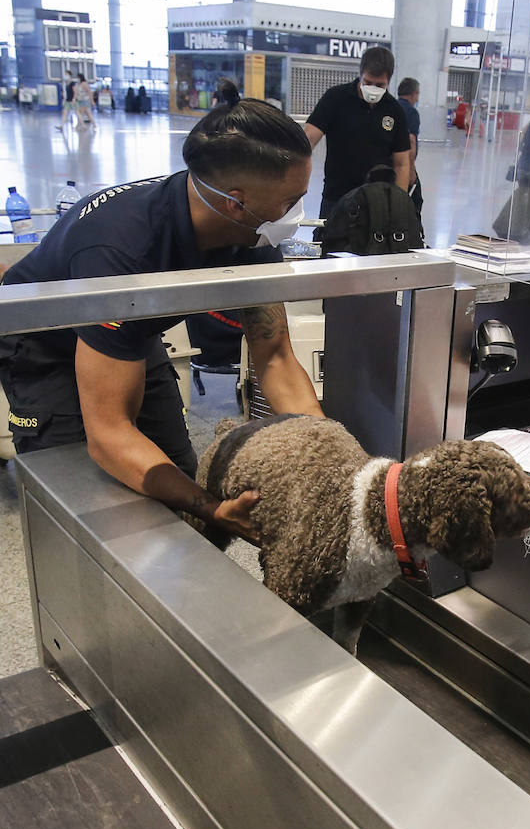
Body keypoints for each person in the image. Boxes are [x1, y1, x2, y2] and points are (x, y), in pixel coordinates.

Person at [0, 100, 323, 541]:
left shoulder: (254, 233)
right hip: (45, 348)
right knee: (88, 511)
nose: (295, 215)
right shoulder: (122, 252)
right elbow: (109, 434)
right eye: (291, 201)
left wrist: (328, 450)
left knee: (179, 480)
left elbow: (276, 358)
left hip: (131, 332)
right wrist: (212, 508)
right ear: (236, 202)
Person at [303, 46, 412, 223]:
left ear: (389, 81)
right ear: (360, 74)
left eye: (380, 85)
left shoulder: (395, 110)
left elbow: (402, 164)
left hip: (377, 202)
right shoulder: (336, 98)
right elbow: (308, 140)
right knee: (329, 239)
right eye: (368, 82)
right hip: (336, 197)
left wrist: (399, 203)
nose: (373, 89)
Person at [396, 76, 424, 223]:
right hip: (403, 164)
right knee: (415, 200)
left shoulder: (391, 107)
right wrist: (411, 170)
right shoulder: (411, 112)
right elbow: (410, 141)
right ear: (413, 94)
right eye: (417, 94)